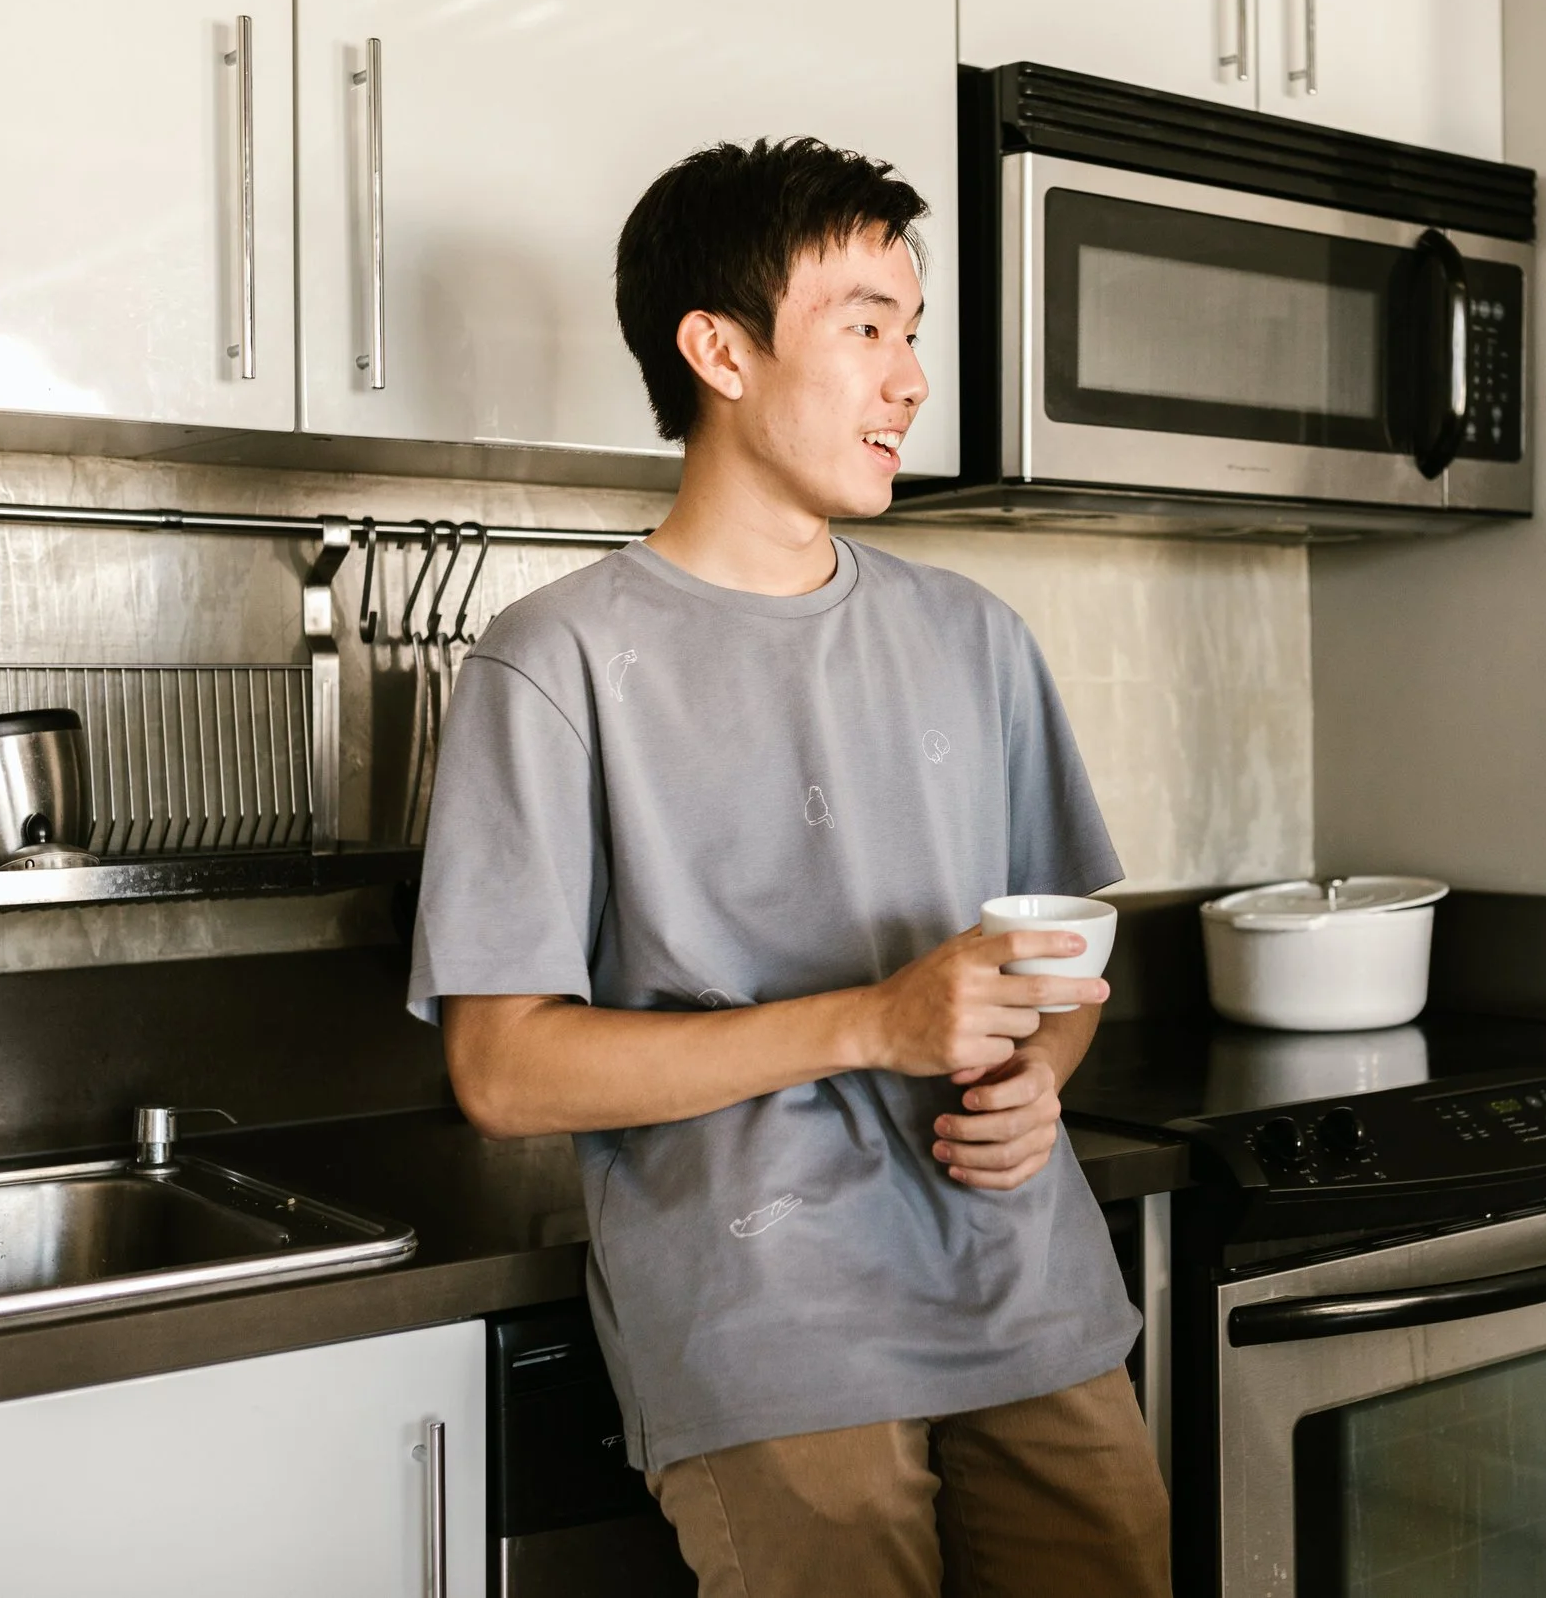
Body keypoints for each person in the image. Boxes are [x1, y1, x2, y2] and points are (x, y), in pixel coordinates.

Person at [407, 138, 1170, 1596]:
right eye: (865, 327)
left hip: (1031, 1289)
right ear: (721, 351)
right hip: (770, 1328)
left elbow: (1062, 967)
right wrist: (871, 1021)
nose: (910, 379)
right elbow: (502, 1071)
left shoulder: (974, 636)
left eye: (913, 333)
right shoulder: (552, 660)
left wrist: (1044, 1078)